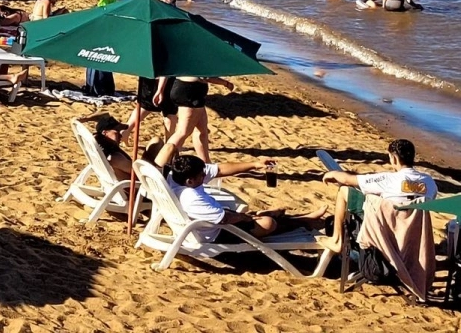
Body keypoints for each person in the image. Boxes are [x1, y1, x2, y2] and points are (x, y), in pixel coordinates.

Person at [170, 155, 329, 242]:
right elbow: (225, 218)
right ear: (190, 181)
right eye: (201, 175)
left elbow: (220, 169)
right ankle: (304, 222)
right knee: (267, 223)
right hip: (214, 234)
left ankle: (303, 218)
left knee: (261, 216)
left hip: (209, 222)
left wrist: (255, 164)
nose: (205, 175)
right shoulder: (192, 198)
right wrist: (245, 217)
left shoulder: (175, 177)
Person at [318, 139, 438, 253]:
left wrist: (333, 173)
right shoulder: (430, 183)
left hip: (386, 230)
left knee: (344, 190)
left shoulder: (388, 179)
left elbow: (348, 180)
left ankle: (336, 240)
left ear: (394, 159)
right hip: (413, 234)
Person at [95, 116, 274, 183]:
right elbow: (140, 175)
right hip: (150, 185)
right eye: (116, 131)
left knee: (157, 141)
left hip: (146, 177)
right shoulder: (115, 158)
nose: (121, 133)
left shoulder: (107, 150)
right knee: (173, 149)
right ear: (105, 133)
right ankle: (254, 164)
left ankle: (254, 164)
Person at [153, 74, 236, 167]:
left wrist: (160, 90)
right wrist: (225, 83)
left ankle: (206, 163)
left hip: (183, 87)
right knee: (182, 132)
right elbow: (205, 76)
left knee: (201, 130)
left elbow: (167, 71)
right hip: (191, 91)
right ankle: (159, 164)